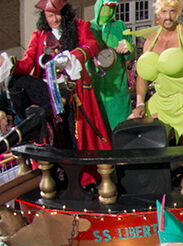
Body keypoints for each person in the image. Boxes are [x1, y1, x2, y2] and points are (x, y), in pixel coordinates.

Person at [5, 0, 112, 172]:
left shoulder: (80, 27)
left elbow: (92, 45)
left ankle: (80, 176)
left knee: (71, 136)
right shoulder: (39, 35)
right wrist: (11, 64)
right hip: (48, 90)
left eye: (57, 14)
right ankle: (29, 125)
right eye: (49, 16)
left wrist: (74, 56)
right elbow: (27, 63)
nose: (54, 19)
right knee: (14, 81)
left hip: (72, 89)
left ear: (65, 12)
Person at [131, 0, 183, 145]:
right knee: (130, 136)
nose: (168, 17)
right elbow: (142, 75)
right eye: (164, 12)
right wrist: (140, 104)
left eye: (172, 11)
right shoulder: (150, 41)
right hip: (160, 102)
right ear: (158, 13)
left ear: (178, 13)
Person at [87, 0, 133, 131]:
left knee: (120, 133)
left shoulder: (119, 26)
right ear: (99, 6)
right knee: (97, 134)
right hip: (94, 90)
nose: (111, 11)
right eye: (108, 7)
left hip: (117, 92)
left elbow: (130, 57)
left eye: (114, 7)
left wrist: (129, 48)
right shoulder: (88, 27)